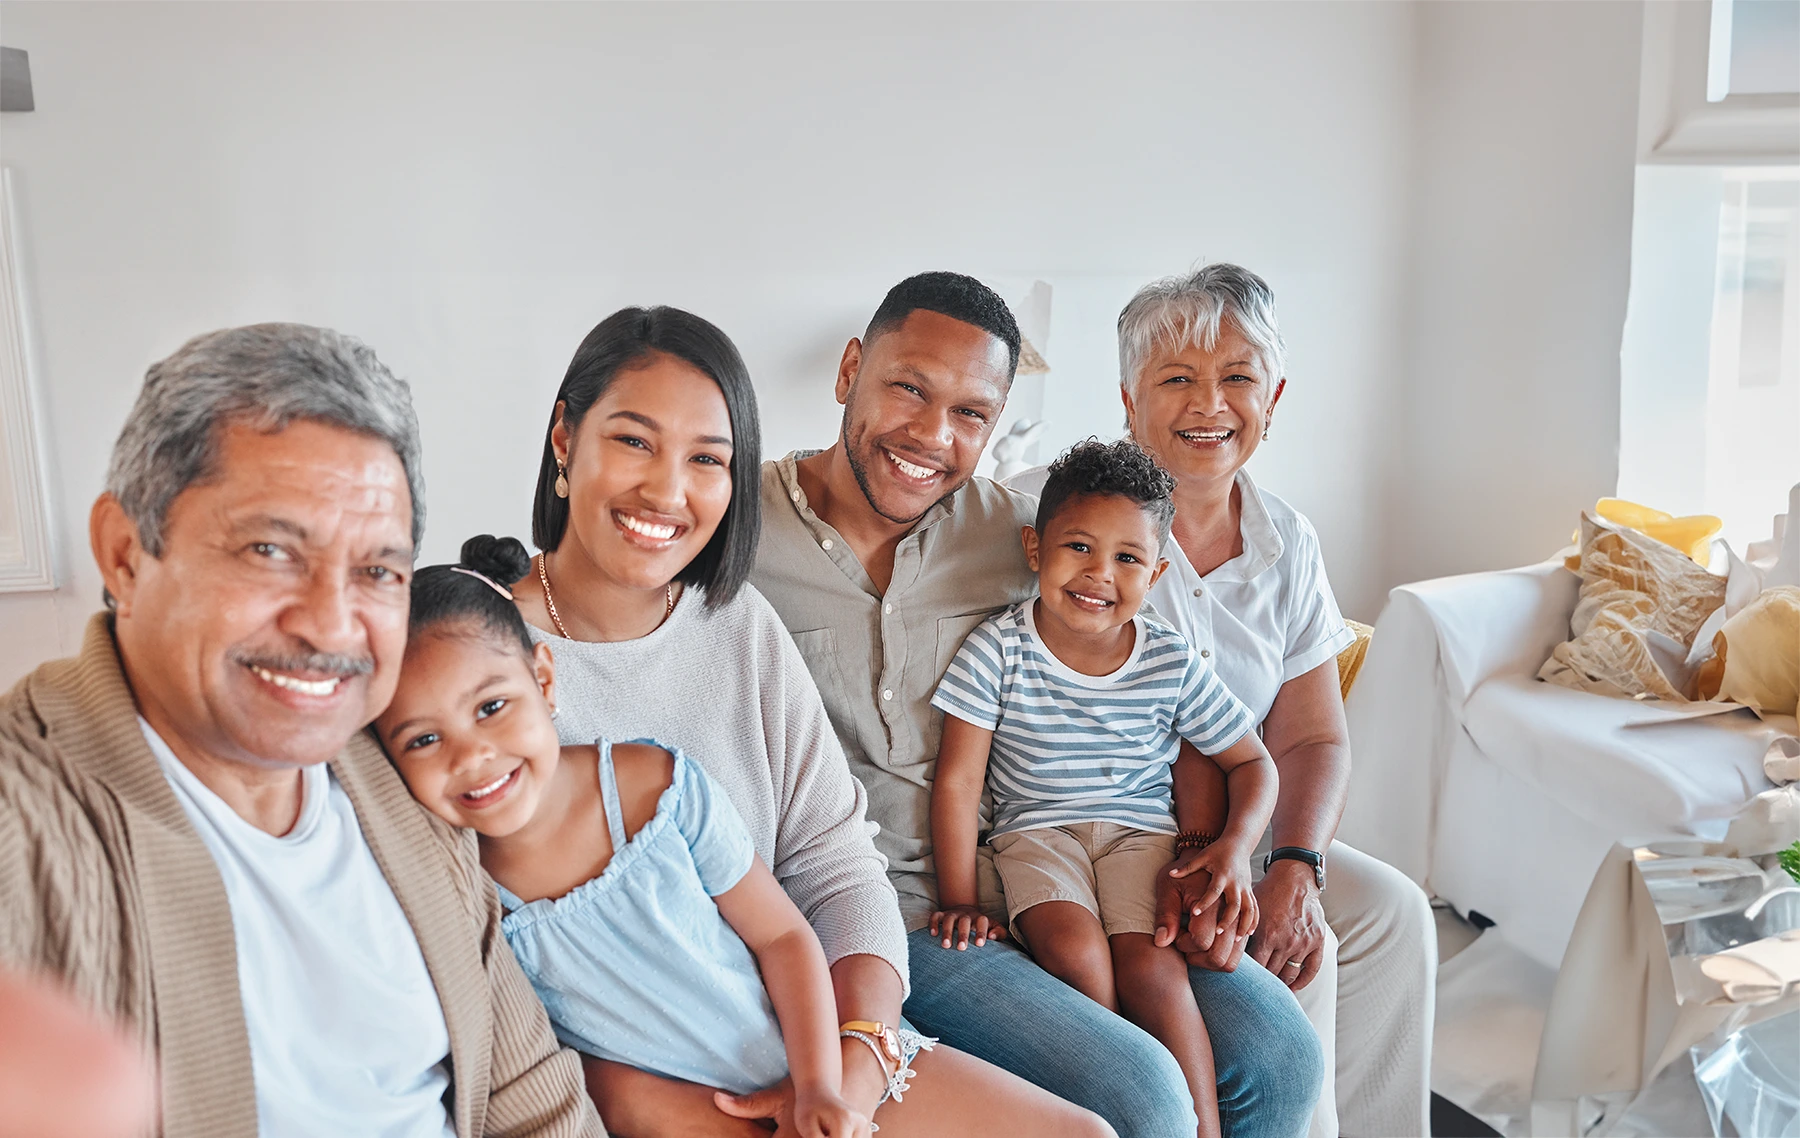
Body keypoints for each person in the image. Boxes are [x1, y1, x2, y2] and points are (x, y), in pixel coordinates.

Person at [507, 305, 1108, 1137]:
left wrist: (855, 1063)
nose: (667, 491)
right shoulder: (477, 658)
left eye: (707, 459)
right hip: (640, 1086)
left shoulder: (737, 624)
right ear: (566, 439)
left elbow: (836, 864)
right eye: (634, 441)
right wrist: (652, 1103)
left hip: (806, 1040)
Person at [751, 271, 1322, 1138]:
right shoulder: (733, 531)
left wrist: (1208, 856)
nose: (932, 436)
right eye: (908, 388)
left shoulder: (1028, 538)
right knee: (1144, 1097)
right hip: (886, 915)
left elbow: (1160, 686)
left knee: (1281, 1055)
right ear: (850, 371)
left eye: (972, 414)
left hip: (1043, 877)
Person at [0, 325, 599, 1136]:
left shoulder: (405, 769)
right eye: (271, 550)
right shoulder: (26, 819)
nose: (330, 625)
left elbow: (528, 1089)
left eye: (377, 571)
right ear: (124, 555)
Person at [1011, 264, 1438, 1138]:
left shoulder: (1288, 539)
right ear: (1129, 400)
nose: (1211, 403)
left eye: (1237, 377)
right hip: (1113, 837)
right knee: (1289, 968)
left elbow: (1314, 737)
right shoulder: (1063, 529)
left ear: (1272, 397)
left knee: (1390, 913)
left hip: (1238, 828)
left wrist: (1296, 866)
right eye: (1177, 379)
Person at [376, 535, 877, 1138]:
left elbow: (783, 935)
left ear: (543, 681)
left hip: (802, 1054)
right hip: (668, 1117)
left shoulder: (652, 787)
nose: (473, 756)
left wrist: (819, 1086)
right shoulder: (460, 889)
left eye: (490, 708)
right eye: (424, 740)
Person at [931, 438, 1283, 1138]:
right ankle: (1120, 1094)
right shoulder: (999, 648)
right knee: (1078, 953)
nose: (1099, 575)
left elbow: (1255, 764)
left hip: (1140, 841)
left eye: (1126, 559)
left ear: (1154, 574)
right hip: (1037, 837)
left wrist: (1235, 850)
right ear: (1036, 549)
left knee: (1154, 973)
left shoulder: (1169, 659)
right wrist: (961, 900)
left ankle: (1201, 1128)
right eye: (1079, 548)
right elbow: (957, 783)